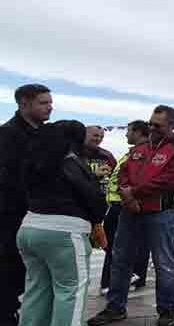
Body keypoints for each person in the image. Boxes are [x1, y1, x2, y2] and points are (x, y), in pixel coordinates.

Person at [88, 105, 174, 326]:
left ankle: (166, 312)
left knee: (163, 263)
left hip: (161, 214)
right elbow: (124, 172)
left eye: (158, 125)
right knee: (120, 260)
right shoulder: (140, 148)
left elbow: (168, 180)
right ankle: (115, 307)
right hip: (130, 211)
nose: (152, 128)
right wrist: (127, 196)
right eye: (150, 123)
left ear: (172, 126)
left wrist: (134, 193)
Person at [17, 120, 107, 326]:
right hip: (65, 232)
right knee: (71, 291)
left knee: (37, 290)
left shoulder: (35, 159)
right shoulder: (70, 161)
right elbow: (94, 202)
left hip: (30, 227)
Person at [0, 83, 52, 326]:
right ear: (24, 103)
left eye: (50, 102)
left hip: (38, 216)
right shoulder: (8, 134)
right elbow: (11, 178)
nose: (50, 107)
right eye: (43, 102)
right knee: (9, 270)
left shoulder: (45, 134)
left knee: (28, 273)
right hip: (12, 215)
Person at [100, 120, 152, 295]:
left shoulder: (143, 153)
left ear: (138, 132)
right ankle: (118, 280)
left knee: (119, 247)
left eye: (129, 131)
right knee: (113, 247)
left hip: (124, 206)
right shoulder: (130, 153)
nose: (126, 134)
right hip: (115, 206)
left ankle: (119, 281)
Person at [81, 126, 117, 195]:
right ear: (84, 135)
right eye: (95, 136)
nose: (99, 139)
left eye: (102, 137)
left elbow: (115, 178)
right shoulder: (73, 154)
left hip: (102, 200)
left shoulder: (107, 156)